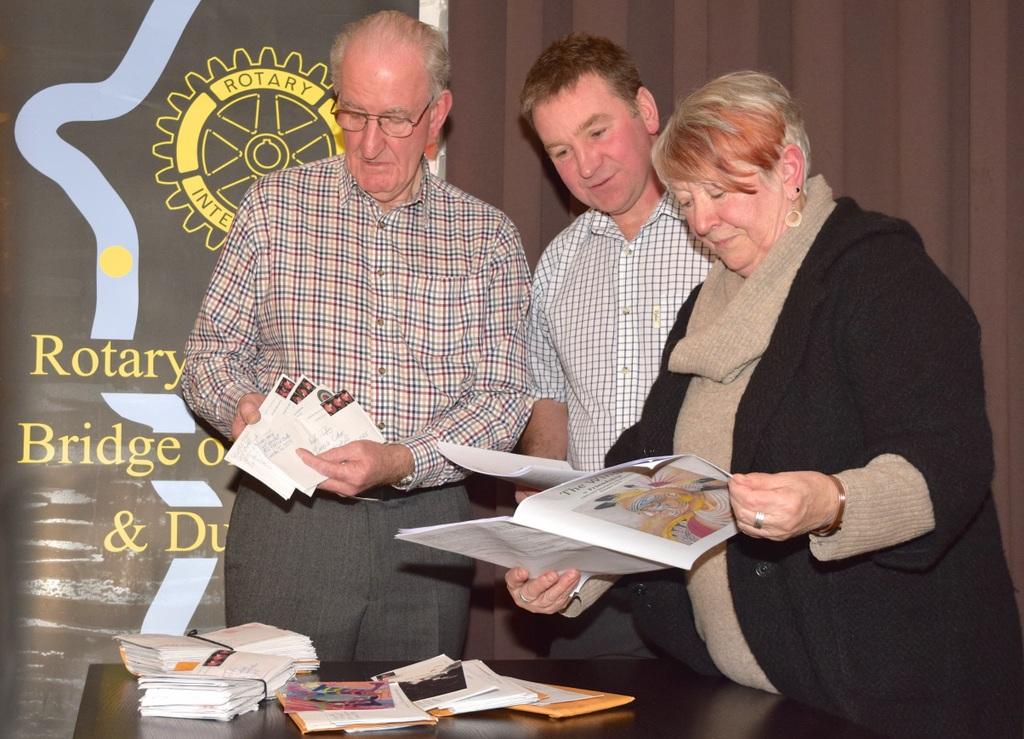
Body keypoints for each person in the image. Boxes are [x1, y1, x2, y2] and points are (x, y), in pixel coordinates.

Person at [506, 70, 1022, 737]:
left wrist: (831, 502)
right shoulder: (709, 302)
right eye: (687, 199)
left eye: (721, 193)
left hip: (892, 701)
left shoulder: (882, 278)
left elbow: (946, 463)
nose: (701, 221)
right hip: (752, 695)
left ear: (790, 169)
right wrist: (578, 560)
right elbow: (652, 466)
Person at [182, 10, 531, 662]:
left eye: (394, 119)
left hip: (429, 528)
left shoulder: (488, 238)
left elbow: (504, 399)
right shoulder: (274, 205)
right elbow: (210, 353)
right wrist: (238, 405)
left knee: (416, 717)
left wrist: (402, 458)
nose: (370, 143)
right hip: (290, 521)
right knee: (275, 719)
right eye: (352, 114)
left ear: (437, 113)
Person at [516, 33, 712, 658]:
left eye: (598, 132)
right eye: (562, 151)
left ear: (647, 112)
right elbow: (548, 397)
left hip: (711, 572)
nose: (586, 166)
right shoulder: (557, 264)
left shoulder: (718, 237)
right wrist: (541, 500)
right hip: (592, 584)